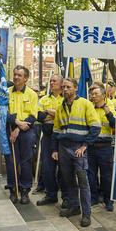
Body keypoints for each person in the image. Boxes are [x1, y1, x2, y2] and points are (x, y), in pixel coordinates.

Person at [52, 78, 101, 227]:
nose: (65, 89)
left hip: (79, 148)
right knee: (68, 180)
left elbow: (96, 127)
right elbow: (56, 130)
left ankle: (86, 214)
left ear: (75, 89)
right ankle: (74, 207)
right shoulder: (60, 107)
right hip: (63, 147)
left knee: (83, 182)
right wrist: (55, 149)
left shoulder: (85, 104)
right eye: (63, 87)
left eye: (68, 87)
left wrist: (85, 146)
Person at [4, 66, 39, 204]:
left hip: (26, 131)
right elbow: (3, 113)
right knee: (11, 161)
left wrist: (18, 129)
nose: (16, 77)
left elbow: (33, 116)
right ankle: (13, 189)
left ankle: (25, 190)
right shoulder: (6, 92)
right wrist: (16, 123)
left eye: (19, 75)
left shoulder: (32, 94)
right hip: (10, 128)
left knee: (26, 161)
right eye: (15, 74)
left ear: (26, 78)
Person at [35, 74, 67, 207]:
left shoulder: (66, 99)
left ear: (61, 84)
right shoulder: (43, 99)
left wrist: (51, 113)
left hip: (62, 137)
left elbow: (65, 116)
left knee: (64, 169)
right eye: (51, 81)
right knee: (47, 168)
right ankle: (51, 194)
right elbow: (39, 115)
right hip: (47, 136)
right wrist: (52, 114)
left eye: (54, 81)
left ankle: (66, 198)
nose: (51, 83)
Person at [86, 82, 116, 211]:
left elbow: (114, 124)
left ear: (103, 95)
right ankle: (94, 197)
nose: (93, 96)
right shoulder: (89, 107)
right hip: (91, 146)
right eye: (91, 94)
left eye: (96, 94)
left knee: (106, 175)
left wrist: (106, 109)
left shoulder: (110, 107)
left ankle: (108, 199)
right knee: (90, 174)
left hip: (105, 147)